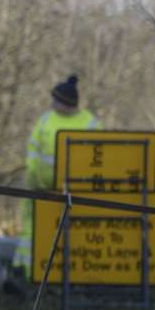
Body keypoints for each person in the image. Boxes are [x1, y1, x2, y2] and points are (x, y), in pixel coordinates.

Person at [15, 75, 100, 274]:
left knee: (71, 234)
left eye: (56, 100)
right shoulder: (45, 121)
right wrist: (33, 180)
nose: (52, 104)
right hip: (43, 189)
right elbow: (33, 154)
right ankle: (28, 270)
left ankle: (68, 274)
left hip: (76, 194)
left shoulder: (90, 124)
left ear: (67, 103)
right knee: (33, 229)